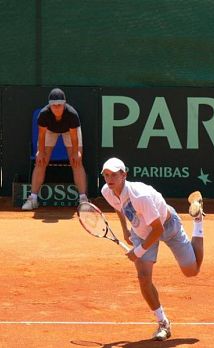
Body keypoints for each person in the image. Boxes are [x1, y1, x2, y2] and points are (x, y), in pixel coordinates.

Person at [100, 157, 204, 341]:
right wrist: (125, 230)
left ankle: (198, 220)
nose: (110, 179)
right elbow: (119, 207)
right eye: (106, 175)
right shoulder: (107, 191)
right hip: (141, 231)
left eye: (114, 175)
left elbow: (158, 229)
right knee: (143, 277)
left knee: (191, 271)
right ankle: (163, 323)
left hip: (166, 224)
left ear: (124, 175)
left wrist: (138, 252)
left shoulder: (140, 196)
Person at [22, 88, 88, 210]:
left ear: (64, 104)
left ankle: (83, 200)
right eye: (54, 105)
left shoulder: (72, 114)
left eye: (59, 105)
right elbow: (41, 135)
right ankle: (33, 199)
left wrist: (75, 153)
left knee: (76, 162)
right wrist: (40, 152)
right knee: (40, 162)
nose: (57, 108)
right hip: (50, 131)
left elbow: (74, 137)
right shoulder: (44, 114)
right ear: (50, 105)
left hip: (70, 132)